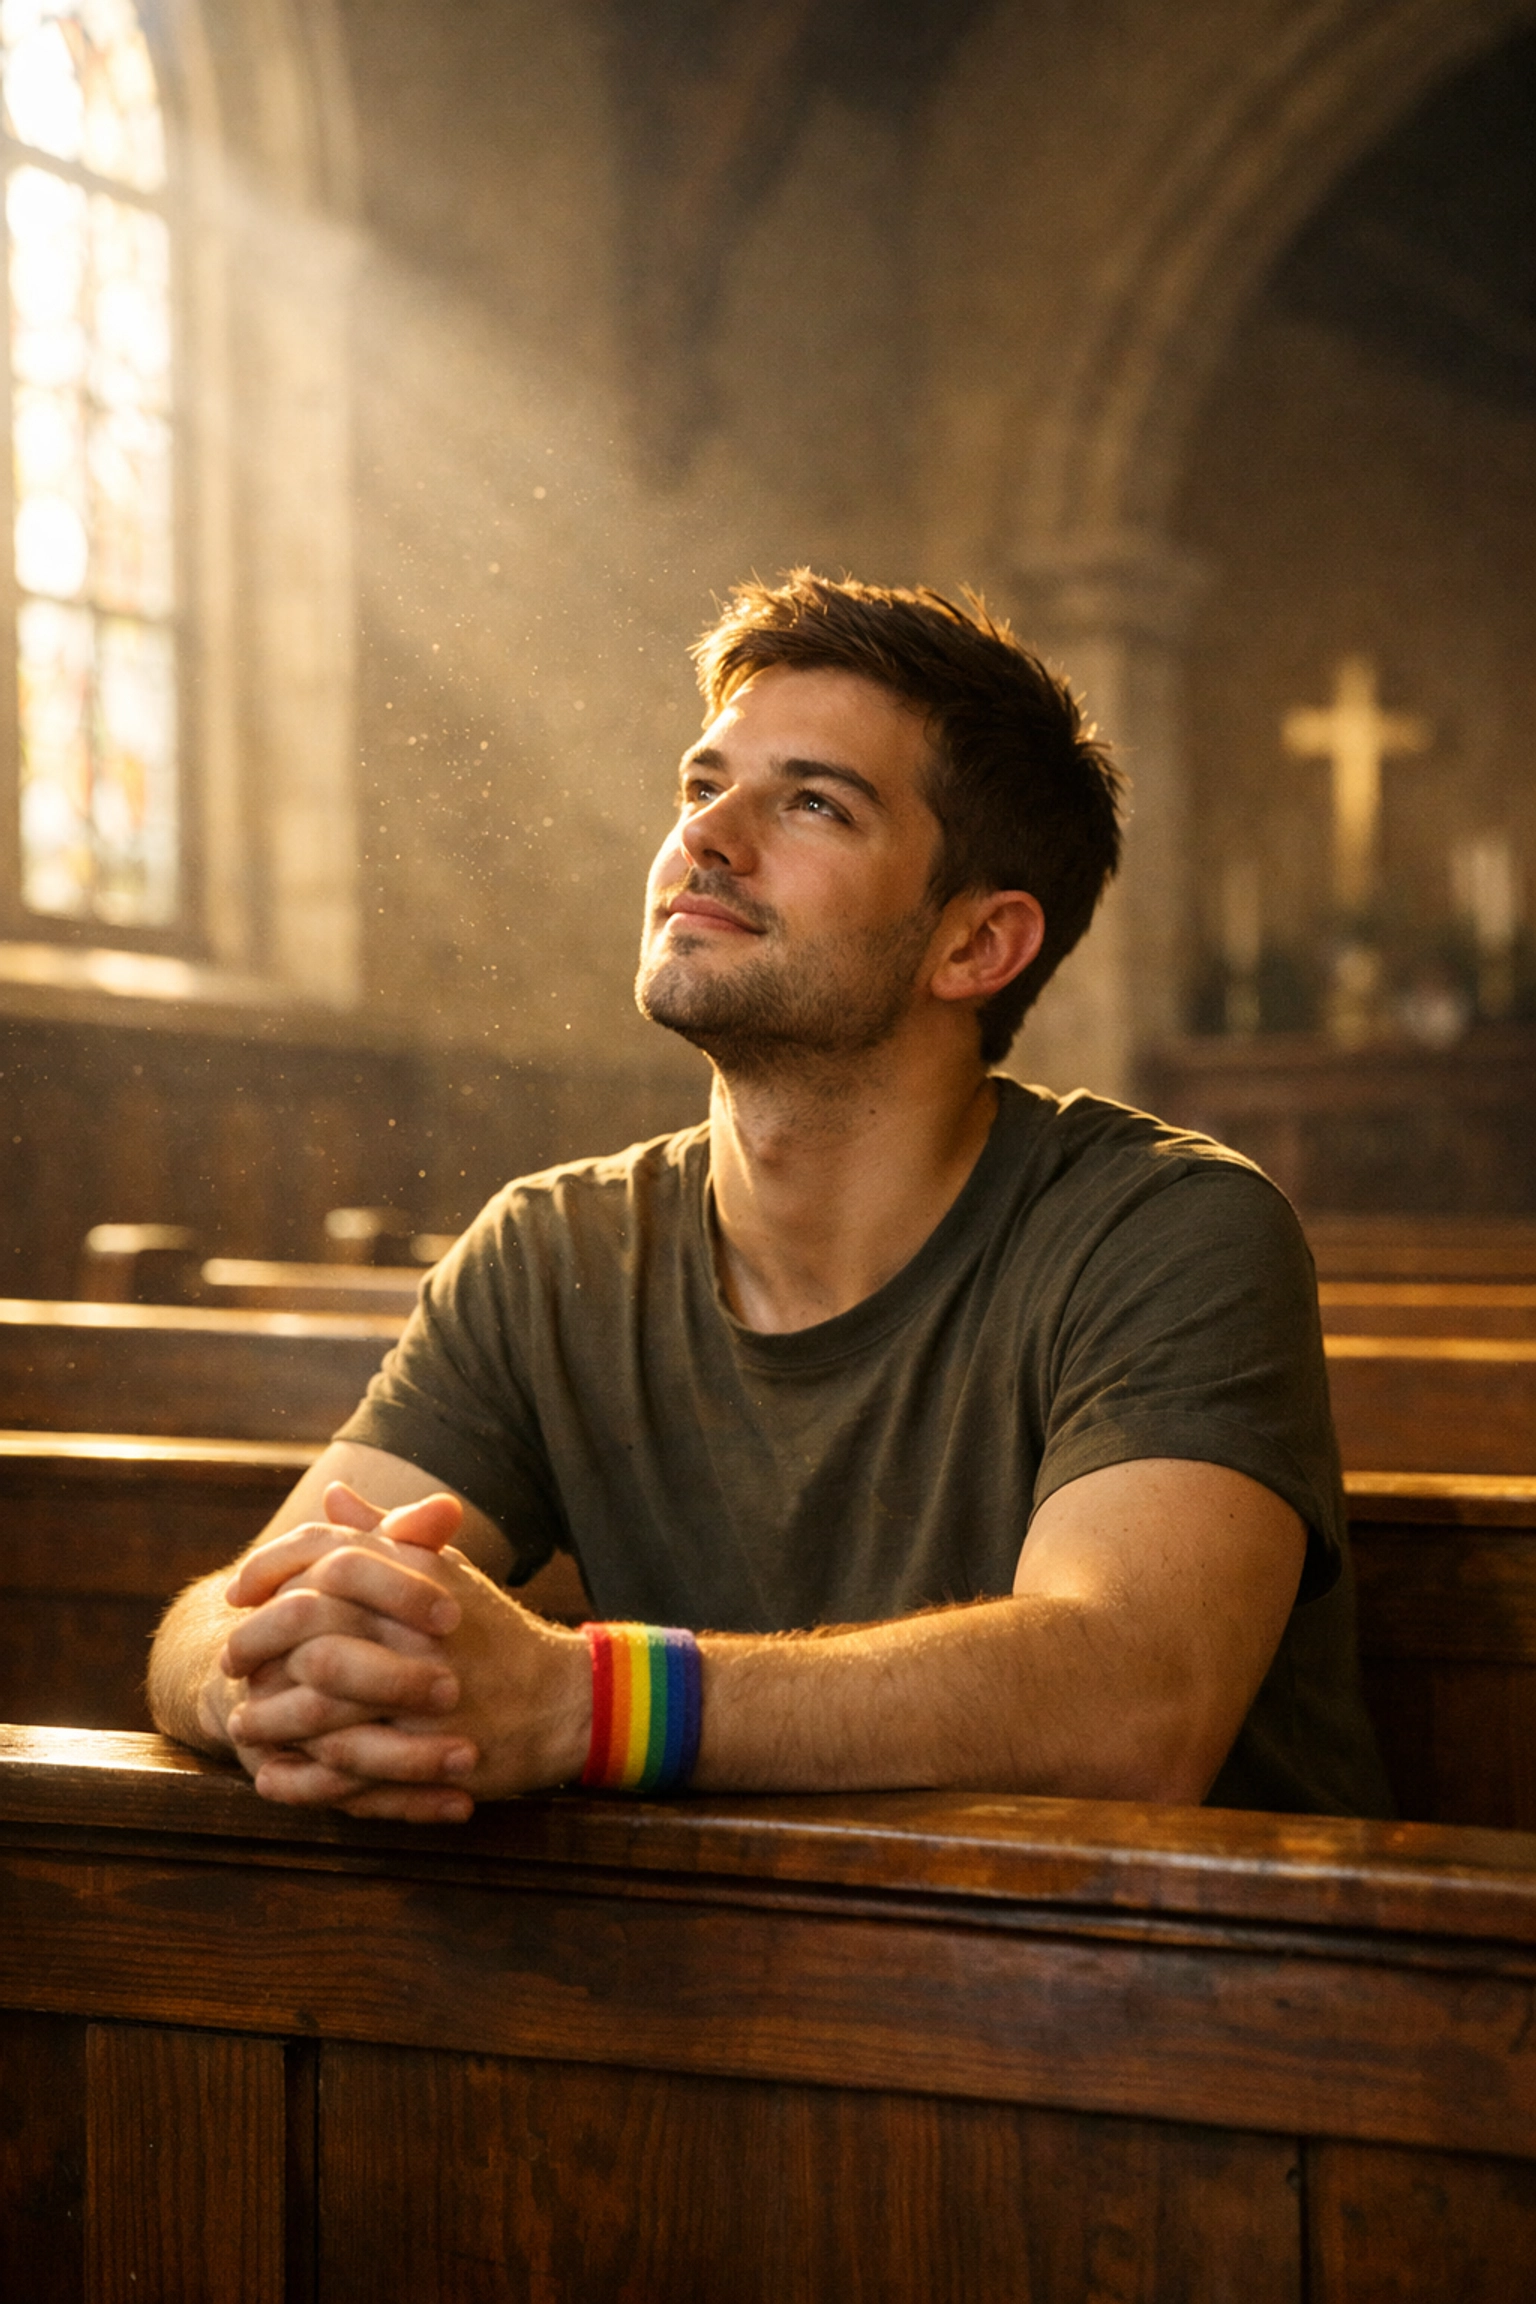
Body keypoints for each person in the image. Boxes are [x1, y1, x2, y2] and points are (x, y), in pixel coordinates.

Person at [147, 572, 1390, 1825]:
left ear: (977, 945)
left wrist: (582, 1701)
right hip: (736, 2003)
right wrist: (274, 1677)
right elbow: (219, 1621)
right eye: (701, 787)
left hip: (1160, 1997)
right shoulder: (553, 1249)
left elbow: (1132, 1708)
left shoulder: (1171, 1231)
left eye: (811, 804)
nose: (707, 836)